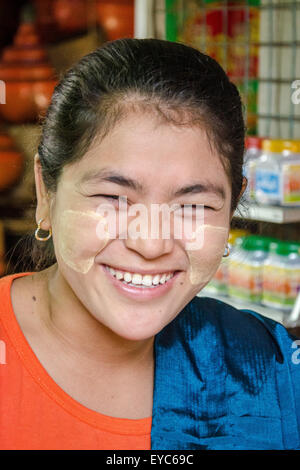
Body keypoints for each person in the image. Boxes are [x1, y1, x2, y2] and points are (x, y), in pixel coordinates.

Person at [0, 38, 299, 451]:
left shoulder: (268, 369)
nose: (152, 242)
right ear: (46, 192)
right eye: (115, 197)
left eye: (193, 205)